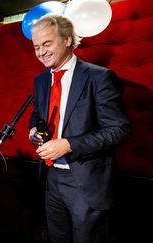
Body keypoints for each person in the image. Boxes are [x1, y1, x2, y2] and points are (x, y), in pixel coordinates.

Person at [28, 14, 131, 243]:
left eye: (47, 44)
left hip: (87, 183)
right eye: (36, 47)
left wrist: (68, 144)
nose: (41, 52)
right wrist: (34, 130)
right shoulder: (41, 80)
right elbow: (37, 114)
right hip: (52, 179)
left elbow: (119, 129)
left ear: (66, 40)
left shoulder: (99, 77)